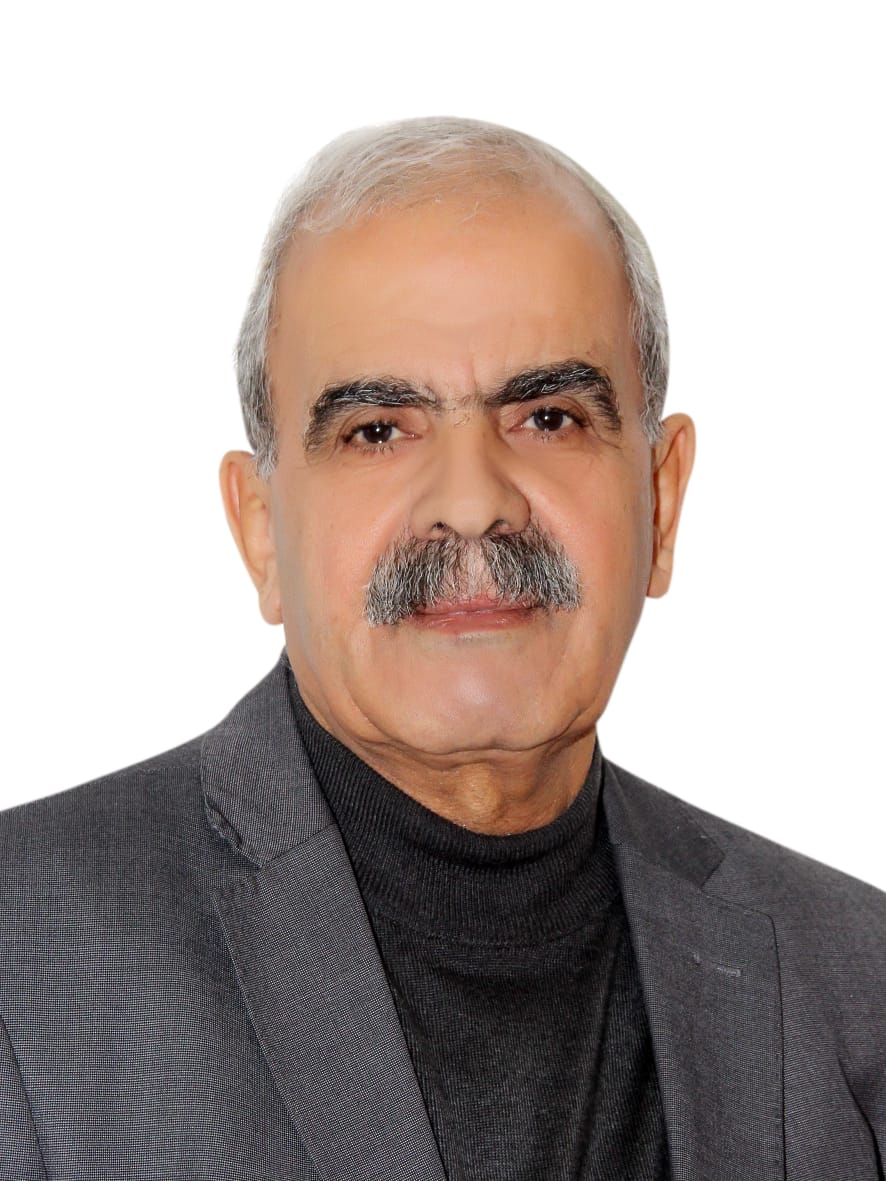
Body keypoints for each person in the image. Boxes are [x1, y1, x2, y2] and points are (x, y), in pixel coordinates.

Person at [1, 117, 883, 1180]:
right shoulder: (22, 959)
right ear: (260, 530)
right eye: (378, 429)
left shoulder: (856, 980)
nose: (470, 502)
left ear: (661, 497)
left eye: (548, 417)